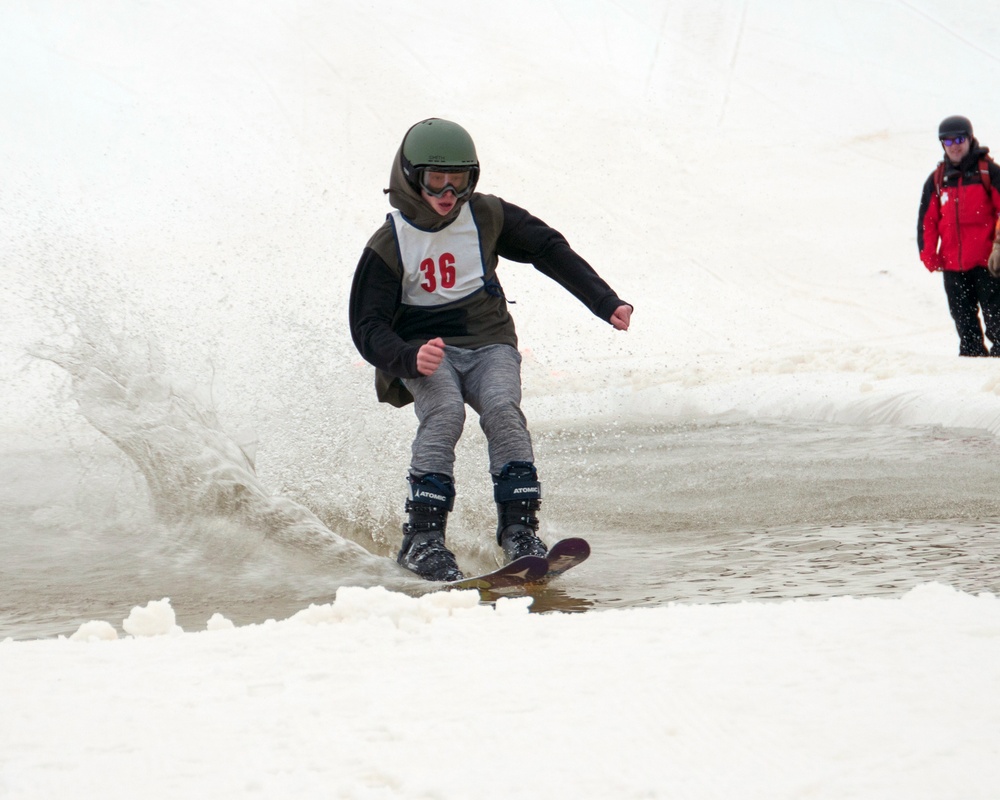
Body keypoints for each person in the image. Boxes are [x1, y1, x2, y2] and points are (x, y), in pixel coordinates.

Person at [349, 118, 633, 581]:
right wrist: (406, 358)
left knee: (503, 409)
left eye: (458, 180)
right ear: (409, 177)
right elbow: (367, 325)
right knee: (444, 413)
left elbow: (547, 248)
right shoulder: (389, 242)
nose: (447, 193)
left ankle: (520, 530)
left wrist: (604, 301)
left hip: (489, 342)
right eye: (434, 180)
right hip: (425, 351)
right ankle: (422, 539)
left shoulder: (486, 215)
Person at [917, 115, 1000, 356]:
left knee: (997, 317)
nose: (954, 145)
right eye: (947, 140)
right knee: (964, 322)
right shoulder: (937, 180)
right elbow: (927, 222)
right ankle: (972, 364)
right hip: (953, 264)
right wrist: (928, 254)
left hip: (989, 263)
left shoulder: (989, 172)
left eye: (959, 138)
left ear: (970, 138)